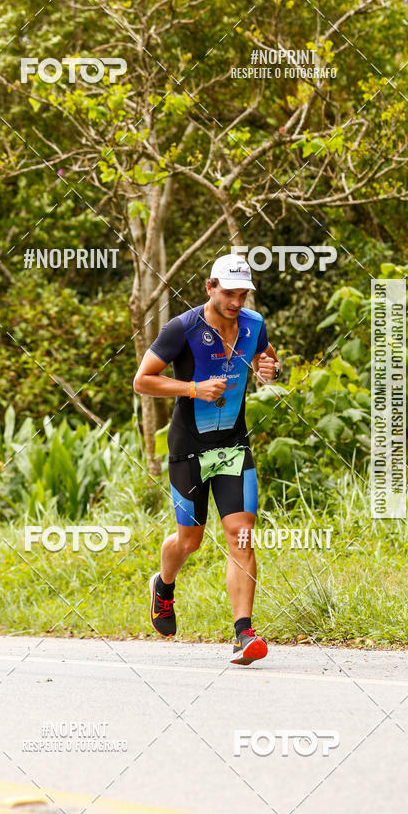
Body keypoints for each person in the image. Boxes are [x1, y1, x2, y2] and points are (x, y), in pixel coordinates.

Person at [133, 253, 281, 665]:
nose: (236, 302)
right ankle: (163, 586)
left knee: (241, 534)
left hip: (233, 444)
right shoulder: (181, 328)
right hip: (188, 448)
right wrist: (193, 389)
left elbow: (265, 360)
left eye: (243, 294)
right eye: (229, 293)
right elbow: (142, 380)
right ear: (210, 287)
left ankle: (243, 634)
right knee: (190, 540)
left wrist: (269, 369)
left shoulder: (254, 324)